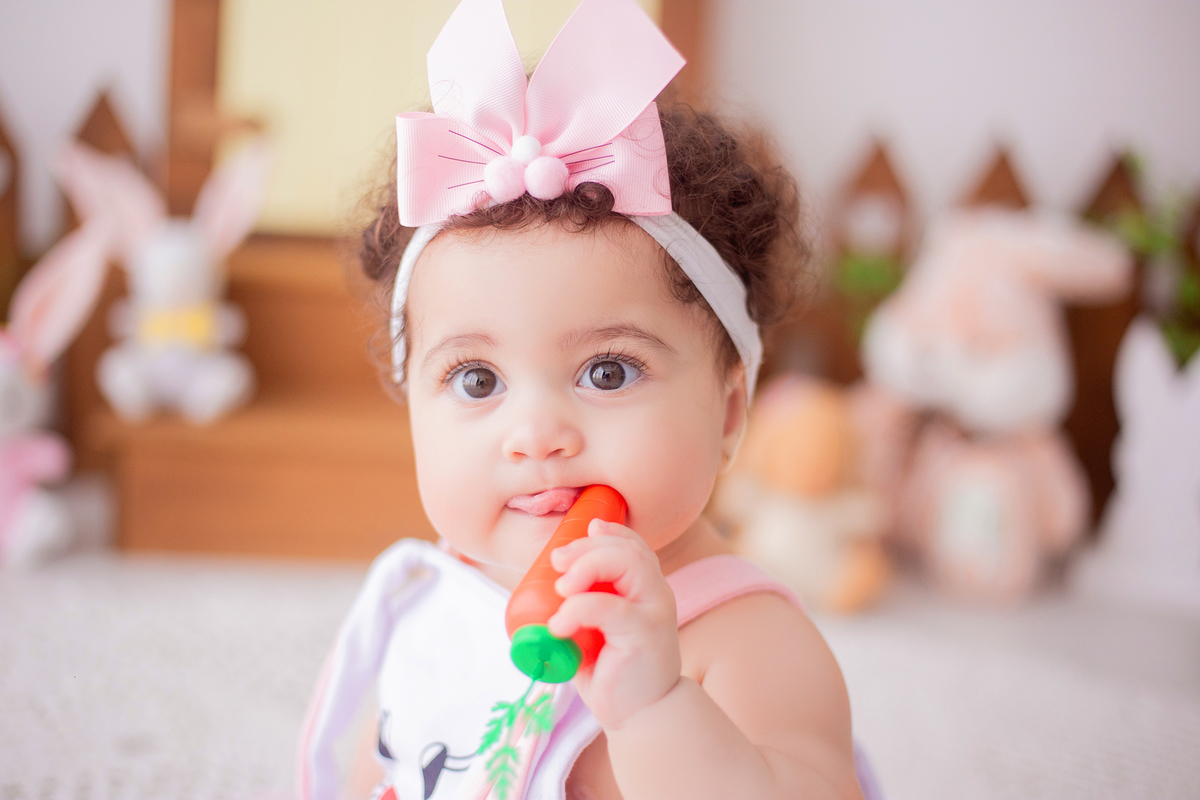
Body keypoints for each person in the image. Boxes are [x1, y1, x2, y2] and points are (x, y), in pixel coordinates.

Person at [298, 1, 877, 799]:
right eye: (477, 380)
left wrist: (655, 711)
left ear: (731, 414)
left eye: (608, 372)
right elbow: (392, 760)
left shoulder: (744, 640)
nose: (536, 435)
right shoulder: (436, 599)